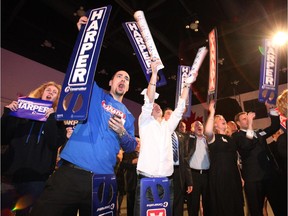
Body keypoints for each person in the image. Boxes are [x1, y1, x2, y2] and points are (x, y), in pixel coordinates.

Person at [30, 70, 137, 216]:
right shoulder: (96, 95)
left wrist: (122, 132)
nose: (123, 80)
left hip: (102, 180)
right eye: (119, 76)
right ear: (111, 83)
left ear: (128, 87)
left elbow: (130, 146)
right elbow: (84, 72)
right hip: (71, 174)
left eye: (127, 78)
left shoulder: (129, 117)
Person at [134, 58, 197, 215]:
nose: (155, 106)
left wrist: (187, 85)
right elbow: (149, 99)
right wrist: (154, 73)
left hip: (166, 181)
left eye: (158, 106)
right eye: (153, 105)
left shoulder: (167, 128)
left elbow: (181, 105)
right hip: (146, 179)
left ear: (162, 113)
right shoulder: (145, 122)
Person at [1, 81, 66, 216]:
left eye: (55, 93)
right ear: (42, 93)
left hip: (36, 180)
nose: (50, 93)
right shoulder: (21, 112)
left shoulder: (58, 120)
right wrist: (7, 113)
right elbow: (3, 137)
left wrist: (52, 119)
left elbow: (54, 143)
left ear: (57, 99)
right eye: (48, 90)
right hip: (10, 176)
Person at [233, 101, 285, 216]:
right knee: (256, 210)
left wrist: (271, 109)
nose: (247, 120)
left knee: (280, 206)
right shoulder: (237, 136)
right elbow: (247, 144)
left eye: (248, 118)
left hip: (270, 175)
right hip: (254, 179)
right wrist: (250, 124)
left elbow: (274, 127)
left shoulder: (258, 132)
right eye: (244, 119)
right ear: (238, 123)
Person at [205, 100, 244, 216]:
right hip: (219, 176)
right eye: (220, 118)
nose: (223, 119)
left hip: (234, 176)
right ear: (215, 125)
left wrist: (240, 176)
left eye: (223, 118)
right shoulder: (213, 138)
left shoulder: (231, 139)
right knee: (223, 204)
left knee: (236, 203)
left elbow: (235, 160)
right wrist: (212, 112)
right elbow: (207, 131)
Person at [169, 119, 193, 216]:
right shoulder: (162, 134)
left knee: (179, 201)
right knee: (166, 201)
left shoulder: (181, 137)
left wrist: (189, 181)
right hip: (165, 172)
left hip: (179, 172)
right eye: (168, 114)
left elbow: (185, 159)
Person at [186, 120, 210, 216]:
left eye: (200, 124)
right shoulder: (189, 140)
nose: (199, 126)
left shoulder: (208, 140)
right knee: (193, 205)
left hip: (207, 175)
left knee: (208, 204)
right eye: (195, 125)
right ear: (192, 129)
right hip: (193, 175)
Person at [120, 137, 141, 216]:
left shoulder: (145, 153)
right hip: (131, 184)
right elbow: (122, 164)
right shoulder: (127, 153)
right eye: (136, 142)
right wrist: (133, 161)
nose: (138, 143)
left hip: (143, 184)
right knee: (131, 206)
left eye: (139, 141)